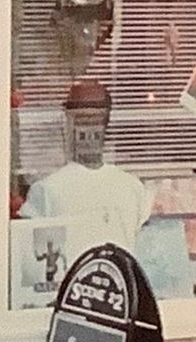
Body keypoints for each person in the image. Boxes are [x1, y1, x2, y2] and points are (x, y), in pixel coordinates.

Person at [18, 79, 153, 249]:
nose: (89, 131)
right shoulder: (46, 190)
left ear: (106, 125)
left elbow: (146, 248)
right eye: (83, 121)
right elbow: (30, 250)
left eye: (95, 121)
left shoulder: (132, 188)